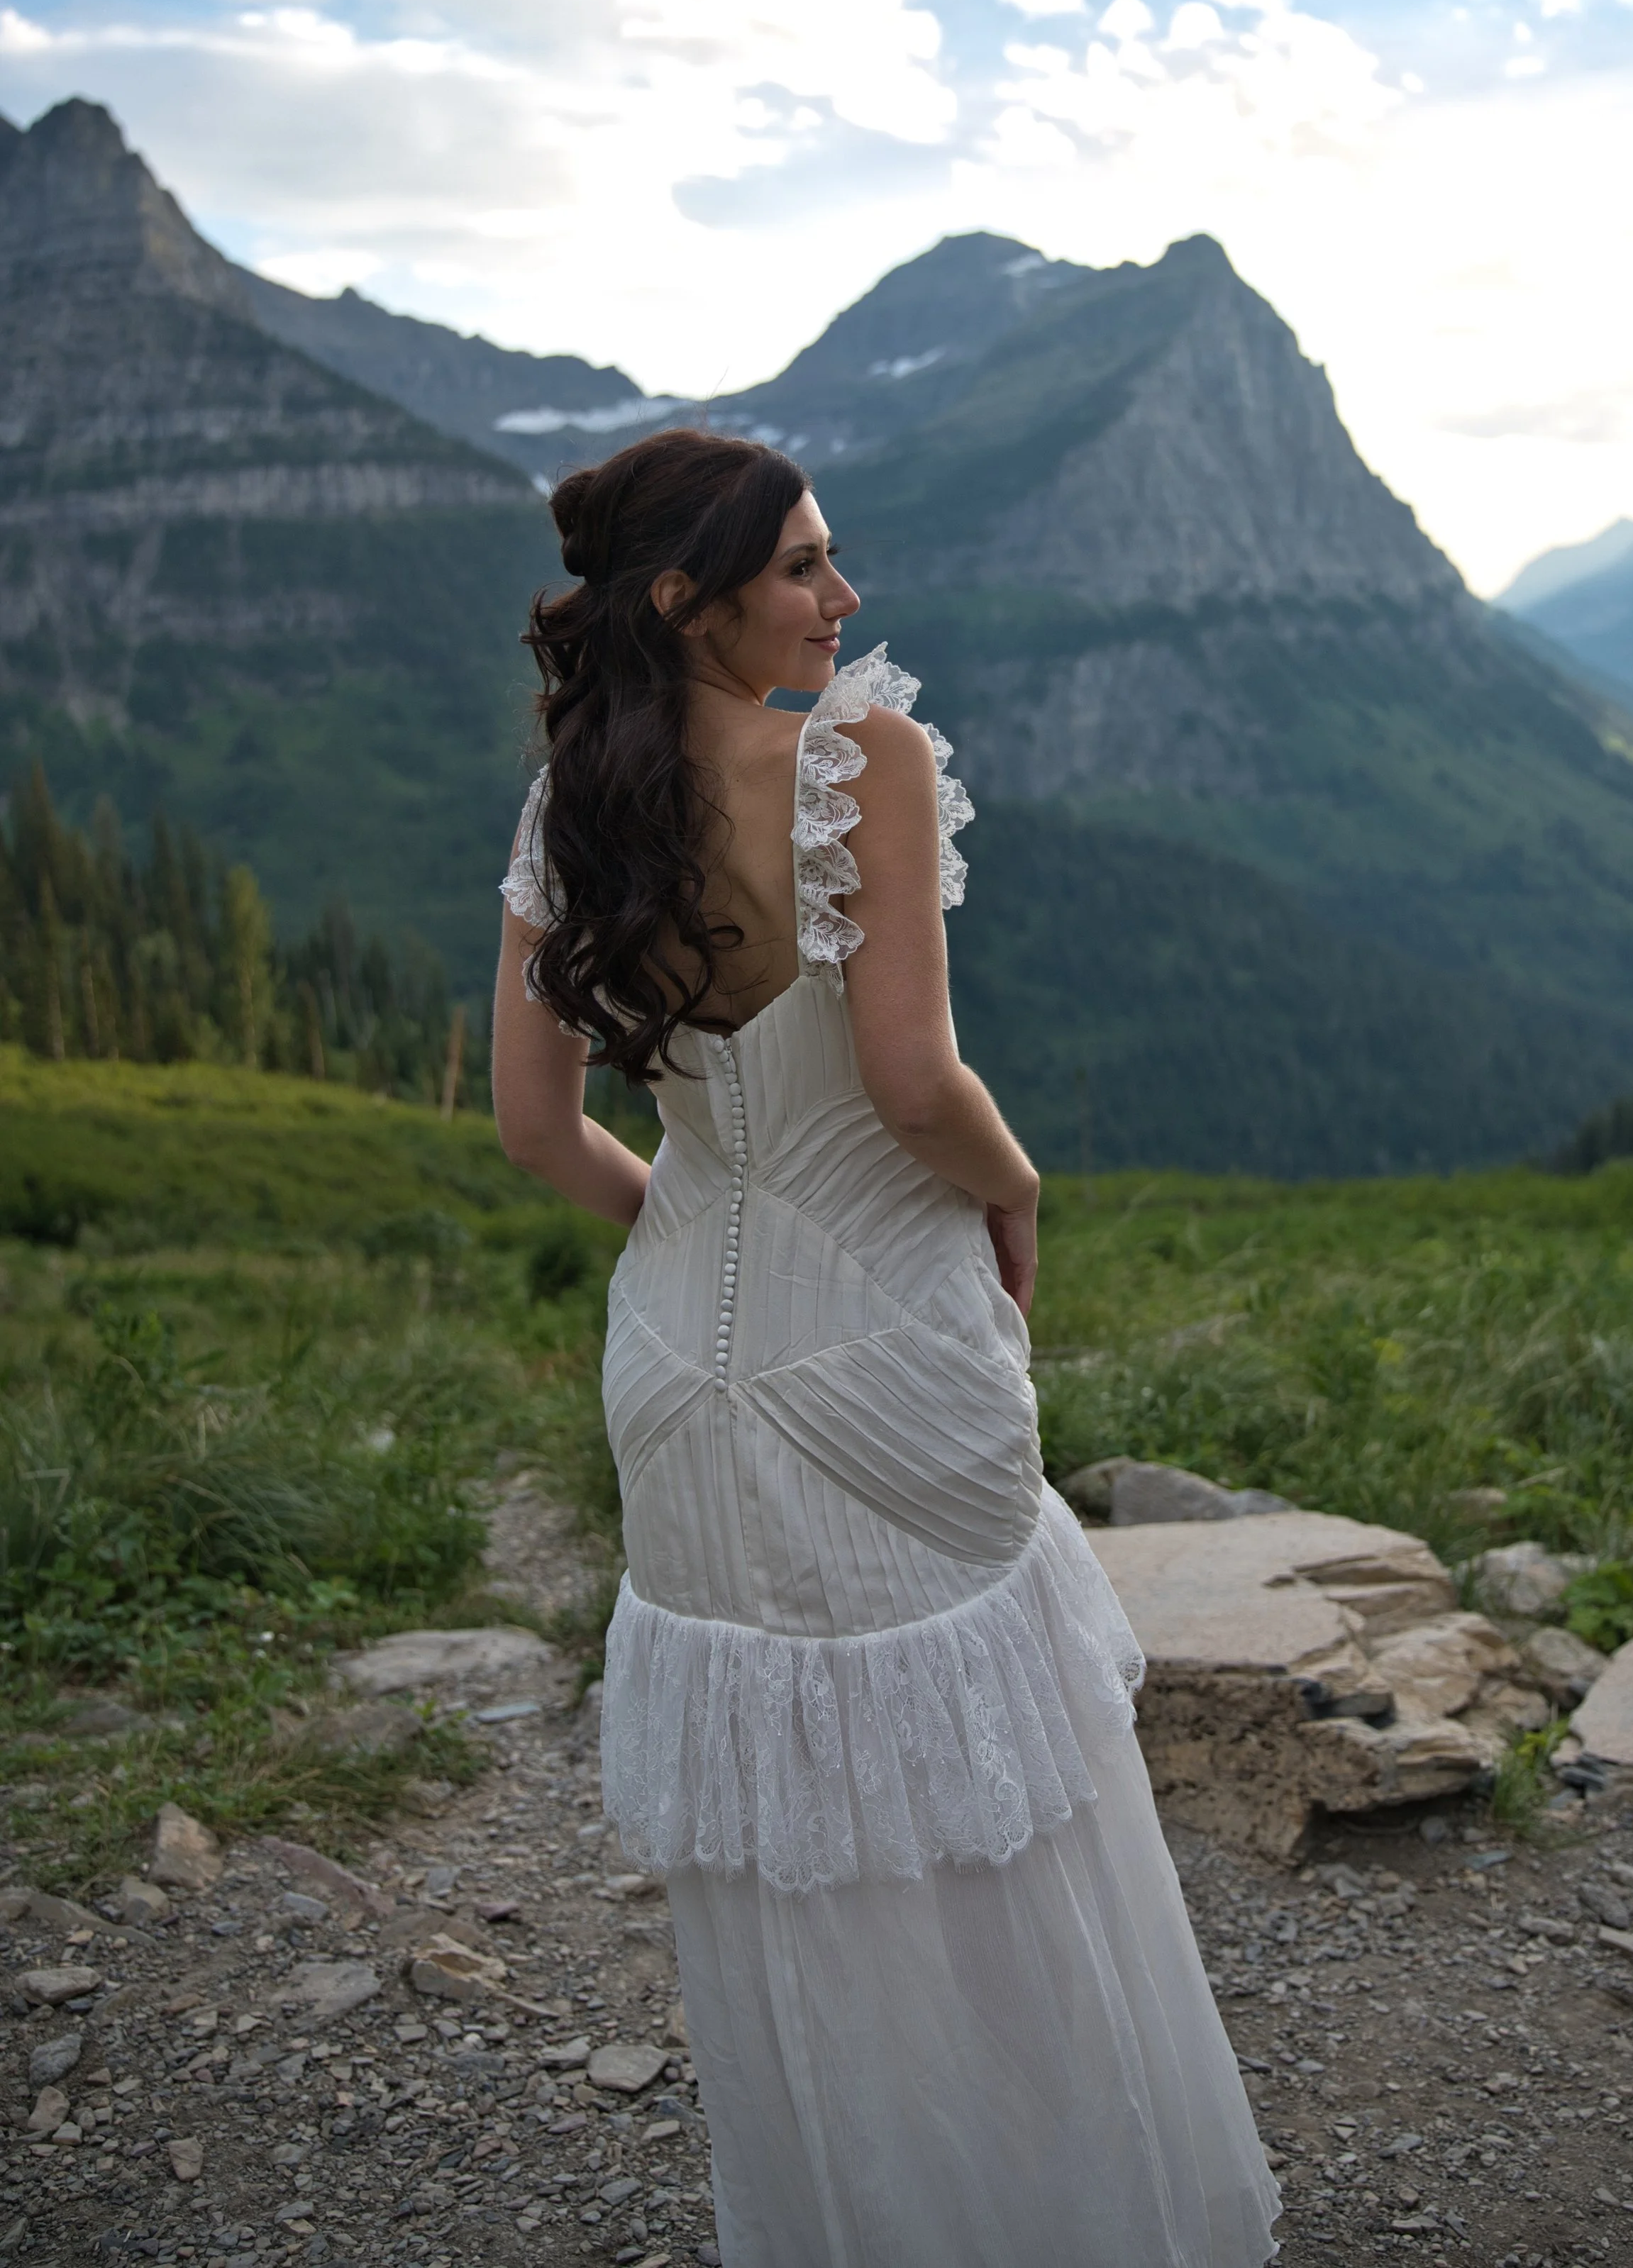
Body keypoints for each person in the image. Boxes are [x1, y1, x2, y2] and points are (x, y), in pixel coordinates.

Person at [492, 429, 1280, 2268]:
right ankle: (1056, 2206)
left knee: (785, 1829)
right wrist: (1015, 1191)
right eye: (802, 568)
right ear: (685, 598)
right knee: (982, 1799)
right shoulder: (862, 759)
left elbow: (539, 1133)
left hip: (674, 1375)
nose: (844, 602)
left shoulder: (569, 812)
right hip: (888, 1346)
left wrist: (689, 1233)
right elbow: (915, 1080)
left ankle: (861, 2213)